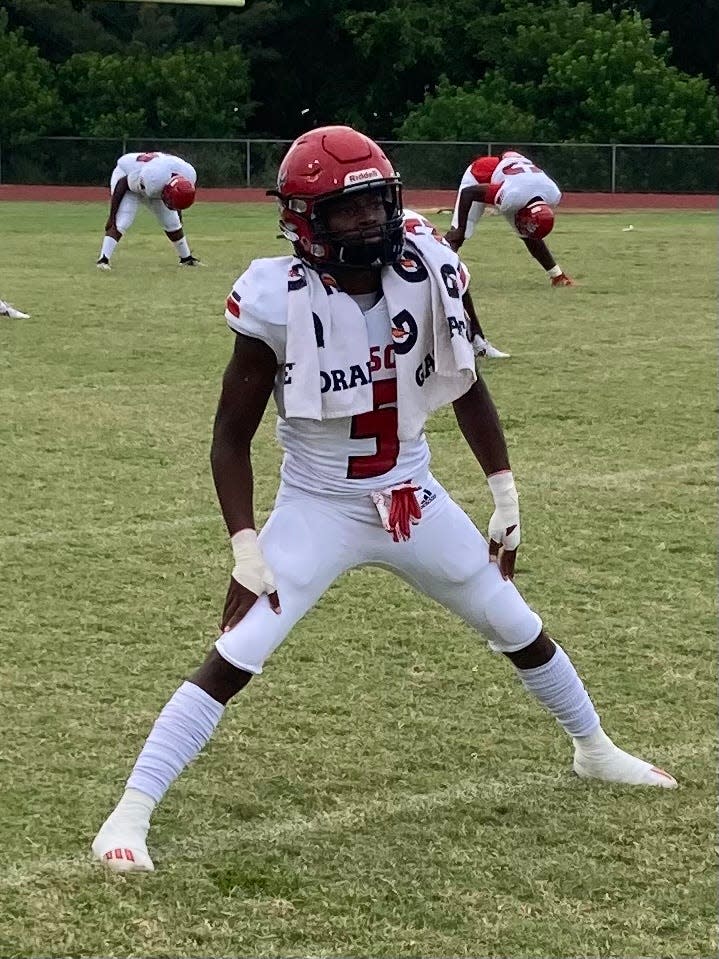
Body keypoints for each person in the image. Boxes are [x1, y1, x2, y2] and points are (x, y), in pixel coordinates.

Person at [92, 126, 676, 874]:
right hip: (319, 504)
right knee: (237, 653)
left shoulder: (428, 263)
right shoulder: (275, 297)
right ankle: (129, 811)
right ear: (305, 218)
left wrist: (502, 488)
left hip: (413, 493)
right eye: (347, 211)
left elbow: (466, 377)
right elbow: (228, 438)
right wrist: (244, 542)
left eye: (376, 204)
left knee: (515, 621)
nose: (369, 222)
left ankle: (594, 749)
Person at [445, 151, 574, 287]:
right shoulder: (512, 197)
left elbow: (510, 154)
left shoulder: (553, 195)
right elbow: (469, 193)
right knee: (460, 233)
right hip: (481, 174)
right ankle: (436, 268)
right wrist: (460, 228)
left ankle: (557, 276)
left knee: (529, 236)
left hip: (512, 179)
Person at [96, 151, 201, 270]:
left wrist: (177, 209)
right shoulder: (154, 180)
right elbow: (123, 183)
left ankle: (186, 259)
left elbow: (178, 196)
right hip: (127, 176)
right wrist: (112, 216)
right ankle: (103, 259)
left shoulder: (188, 176)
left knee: (172, 222)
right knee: (122, 220)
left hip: (153, 178)